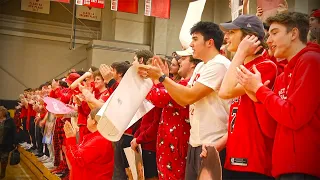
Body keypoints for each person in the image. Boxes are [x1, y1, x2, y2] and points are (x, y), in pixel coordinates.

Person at [138, 21, 231, 180]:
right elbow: (182, 99)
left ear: (210, 42)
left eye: (195, 39)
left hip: (213, 142)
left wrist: (161, 79)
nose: (191, 44)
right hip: (194, 142)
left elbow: (188, 96)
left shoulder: (219, 65)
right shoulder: (202, 67)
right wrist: (163, 80)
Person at [236, 12, 320, 179]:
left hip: (304, 169)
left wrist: (260, 89)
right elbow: (270, 129)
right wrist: (257, 99)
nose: (268, 41)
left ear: (294, 34)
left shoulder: (311, 60)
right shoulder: (282, 76)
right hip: (283, 168)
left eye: (274, 33)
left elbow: (294, 116)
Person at [218, 15, 277, 179]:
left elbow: (225, 92)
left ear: (250, 36)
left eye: (232, 32)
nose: (226, 37)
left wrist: (241, 53)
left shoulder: (265, 66)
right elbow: (239, 116)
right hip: (234, 156)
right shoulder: (243, 66)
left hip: (253, 161)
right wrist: (219, 144)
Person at [64, 108, 114, 180]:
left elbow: (76, 159)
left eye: (88, 117)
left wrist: (70, 139)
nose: (86, 120)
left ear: (94, 121)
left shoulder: (99, 140)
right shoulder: (96, 137)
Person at [0, 106, 17, 179]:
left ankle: (3, 172)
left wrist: (15, 142)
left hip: (5, 144)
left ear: (3, 112)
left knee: (4, 159)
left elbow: (14, 132)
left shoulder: (10, 121)